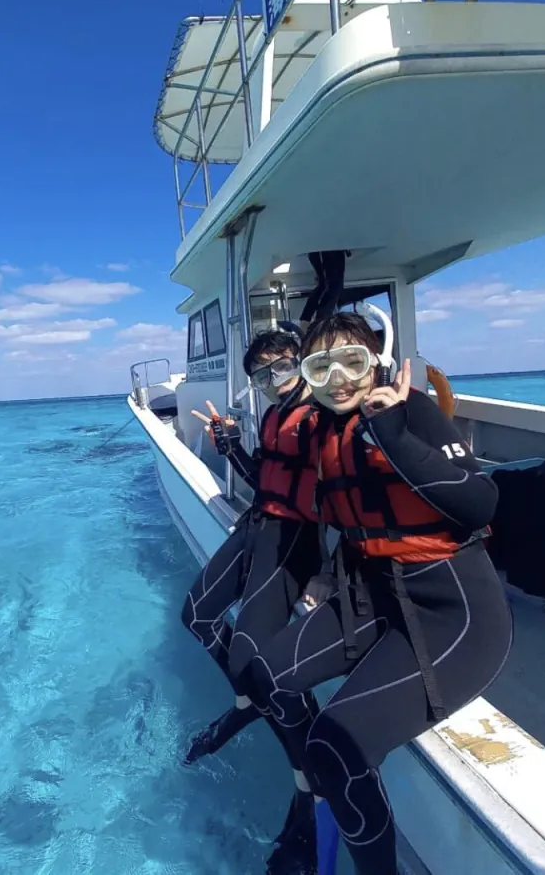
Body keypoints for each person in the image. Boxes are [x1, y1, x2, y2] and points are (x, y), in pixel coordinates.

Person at [242, 310, 514, 875]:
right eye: (322, 366)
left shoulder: (408, 411)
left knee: (335, 746)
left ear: (377, 362)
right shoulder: (321, 427)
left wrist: (392, 434)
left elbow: (480, 505)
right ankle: (307, 797)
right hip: (369, 594)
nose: (339, 377)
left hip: (451, 612)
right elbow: (346, 515)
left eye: (353, 360)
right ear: (308, 376)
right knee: (263, 675)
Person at [183, 326, 323, 875]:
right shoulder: (273, 414)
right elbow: (262, 483)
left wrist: (329, 577)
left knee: (255, 663)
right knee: (195, 614)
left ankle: (306, 785)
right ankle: (249, 705)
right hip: (257, 525)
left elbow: (338, 501)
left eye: (282, 365)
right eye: (261, 374)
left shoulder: (318, 419)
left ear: (301, 360)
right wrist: (231, 446)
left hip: (294, 541)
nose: (272, 378)